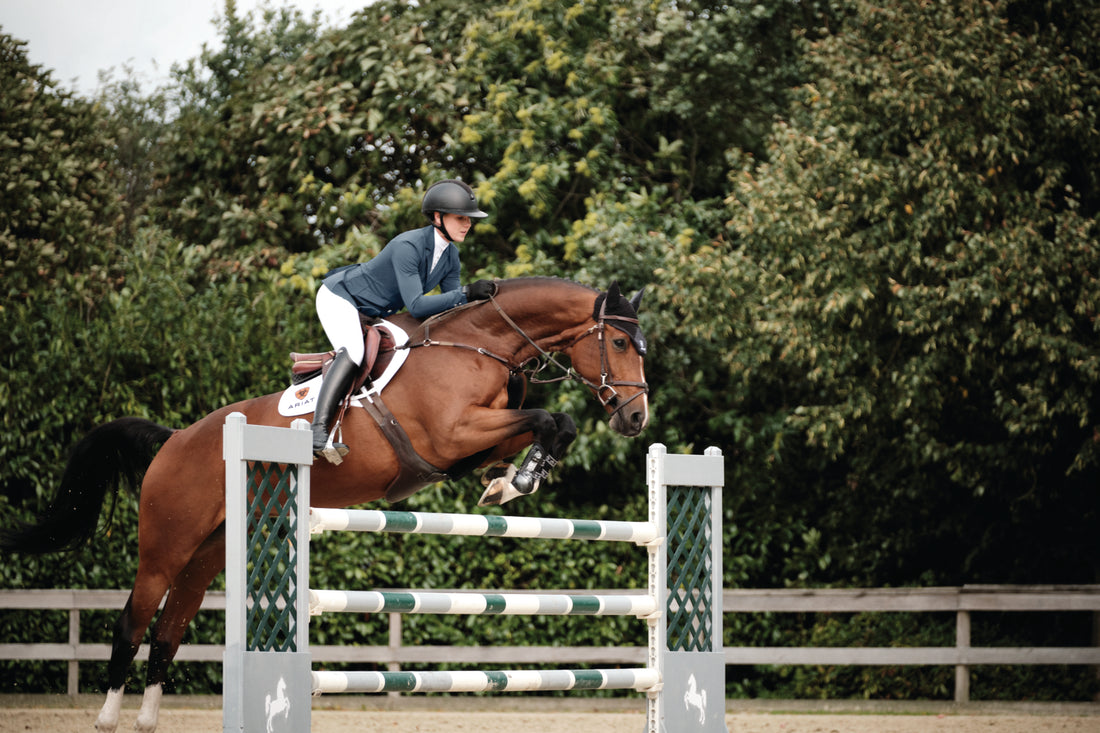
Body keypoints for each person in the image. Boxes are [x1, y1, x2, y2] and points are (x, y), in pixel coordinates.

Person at [310, 178, 498, 457]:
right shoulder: (407, 245)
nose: (467, 224)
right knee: (355, 351)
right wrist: (468, 292)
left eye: (469, 219)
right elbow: (418, 306)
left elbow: (450, 312)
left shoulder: (451, 257)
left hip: (375, 311)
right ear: (438, 217)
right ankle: (317, 433)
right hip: (341, 298)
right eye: (461, 218)